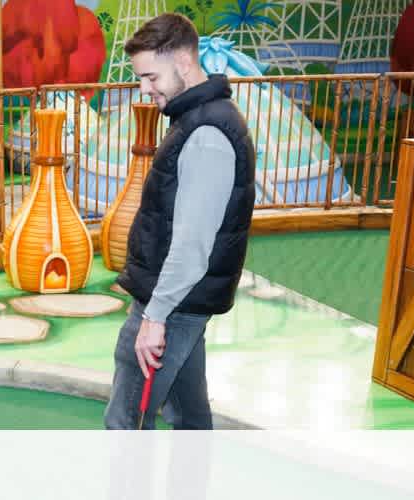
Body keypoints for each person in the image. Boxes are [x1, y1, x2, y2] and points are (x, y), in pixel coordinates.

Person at [105, 13, 255, 430]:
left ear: (184, 63)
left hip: (172, 304)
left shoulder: (207, 134)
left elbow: (191, 247)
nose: (144, 89)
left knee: (126, 420)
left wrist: (154, 318)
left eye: (151, 77)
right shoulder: (196, 118)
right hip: (181, 301)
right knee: (188, 413)